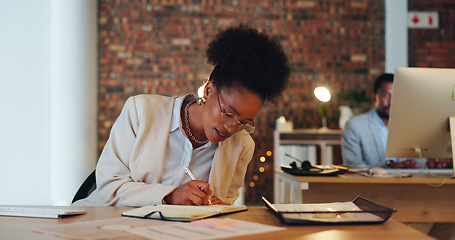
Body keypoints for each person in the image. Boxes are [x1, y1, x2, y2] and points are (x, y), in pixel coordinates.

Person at [72, 25, 290, 207]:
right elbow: (109, 188)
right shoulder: (141, 111)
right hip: (103, 225)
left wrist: (218, 207)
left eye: (244, 123)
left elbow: (225, 203)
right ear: (208, 90)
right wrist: (171, 195)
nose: (232, 128)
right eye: (228, 114)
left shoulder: (242, 146)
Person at [342, 73, 396, 169]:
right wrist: (388, 165)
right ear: (374, 97)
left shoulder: (410, 126)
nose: (391, 101)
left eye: (396, 95)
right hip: (373, 183)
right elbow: (354, 167)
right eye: (386, 95)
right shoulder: (354, 126)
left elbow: (420, 163)